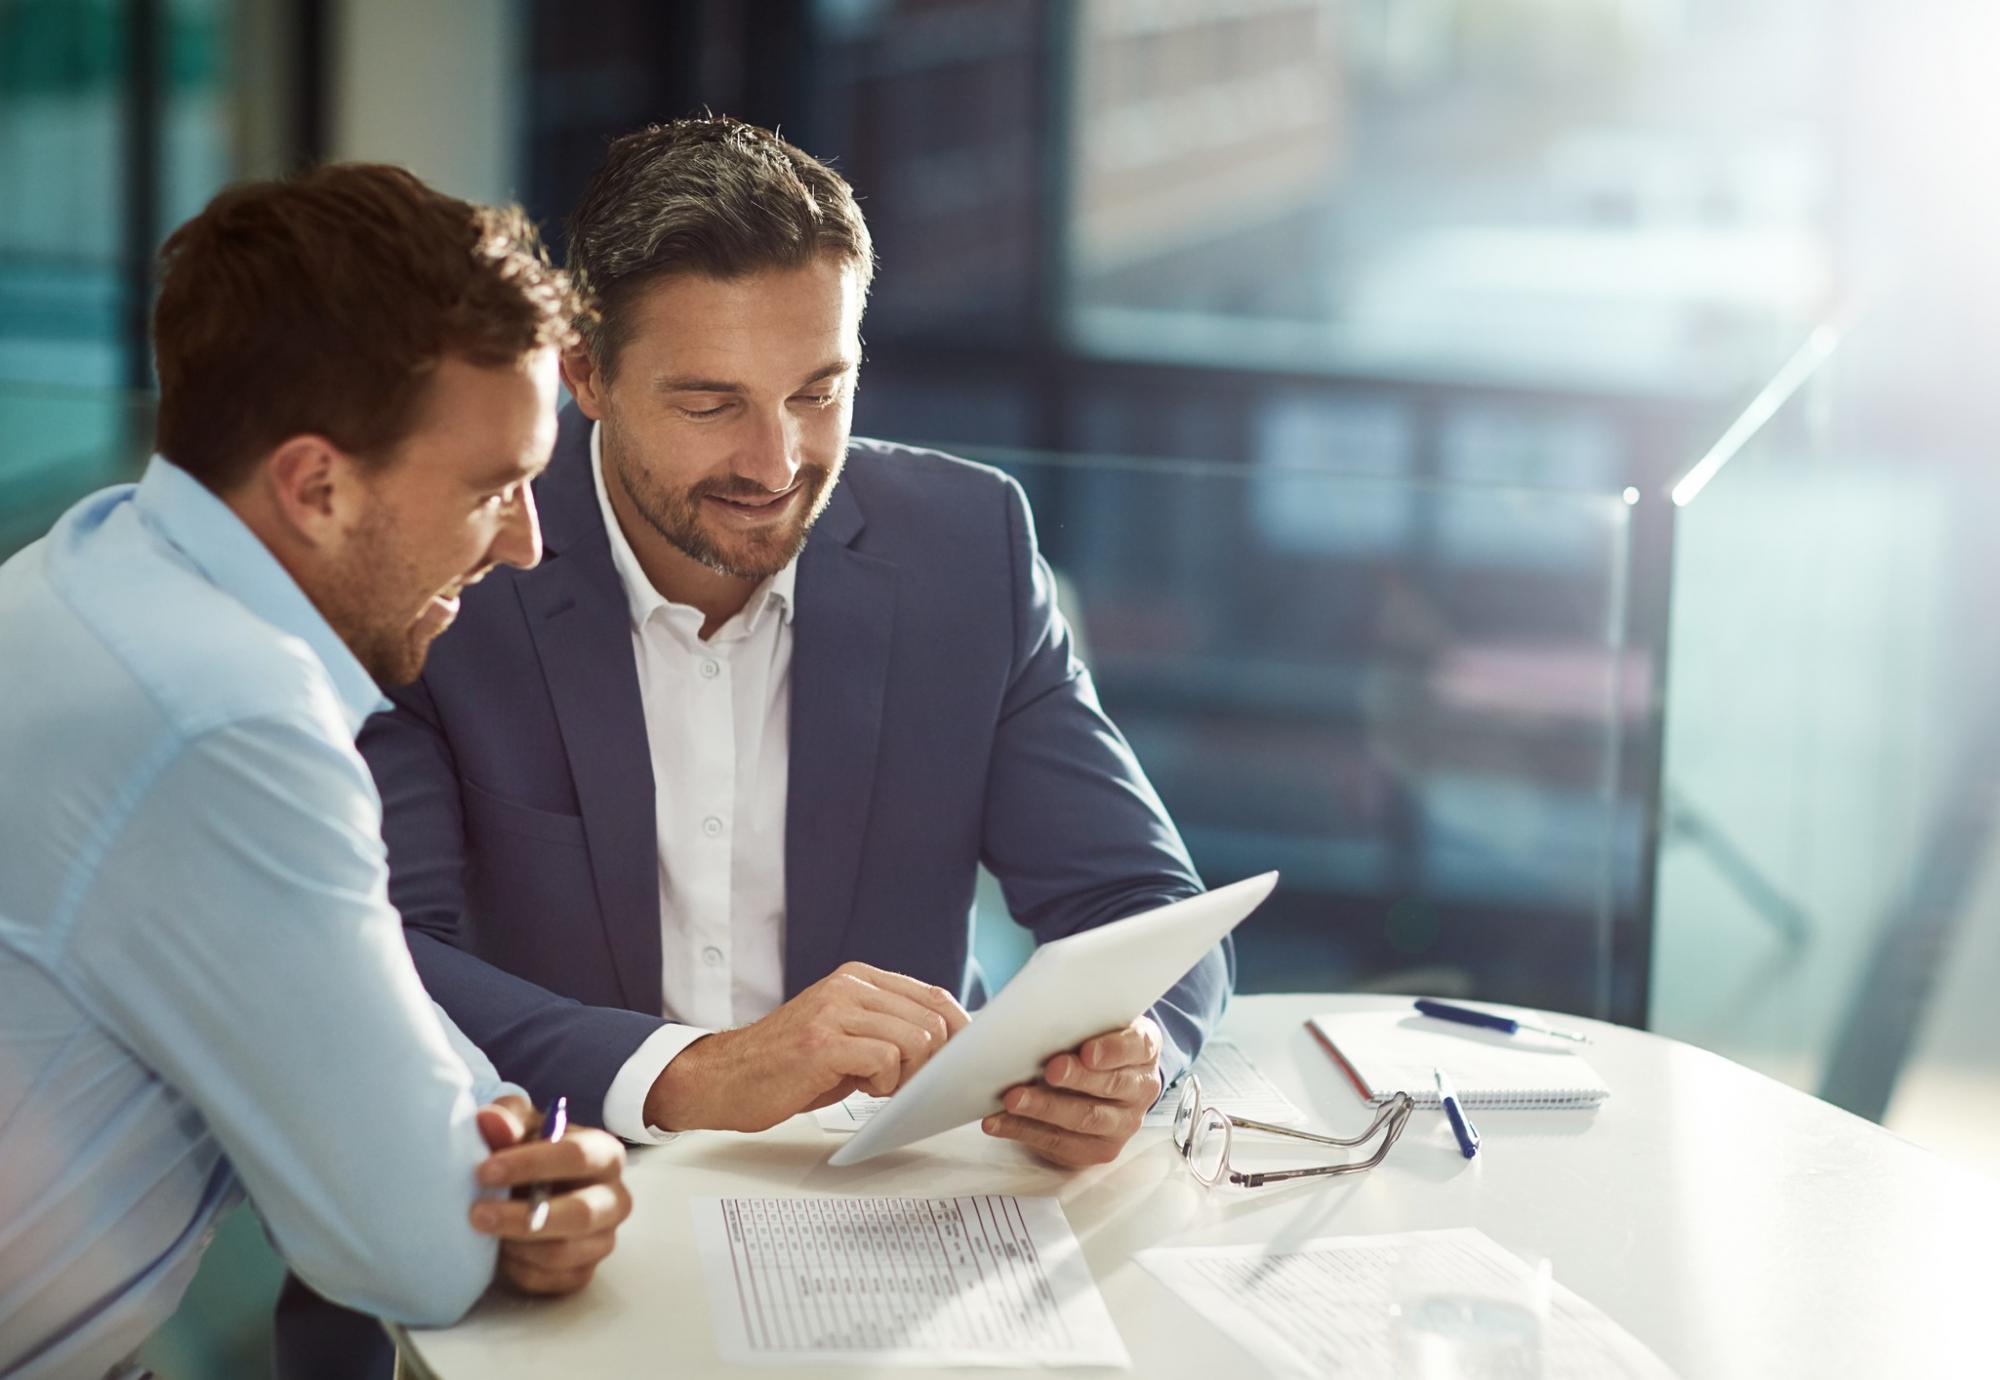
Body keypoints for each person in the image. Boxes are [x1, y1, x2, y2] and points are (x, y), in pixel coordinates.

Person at [363, 115, 1234, 1155]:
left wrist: (1127, 1050)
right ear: (584, 374)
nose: (774, 464)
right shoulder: (455, 566)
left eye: (817, 393)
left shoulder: (967, 549)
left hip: (883, 1195)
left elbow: (1142, 907)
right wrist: (690, 1074)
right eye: (709, 403)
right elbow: (381, 954)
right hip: (565, 1179)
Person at [0, 164, 633, 1380]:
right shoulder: (228, 724)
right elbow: (424, 1254)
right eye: (492, 489)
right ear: (317, 486)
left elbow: (386, 1023)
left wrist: (500, 1139)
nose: (526, 540)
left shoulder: (93, 563)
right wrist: (500, 1186)